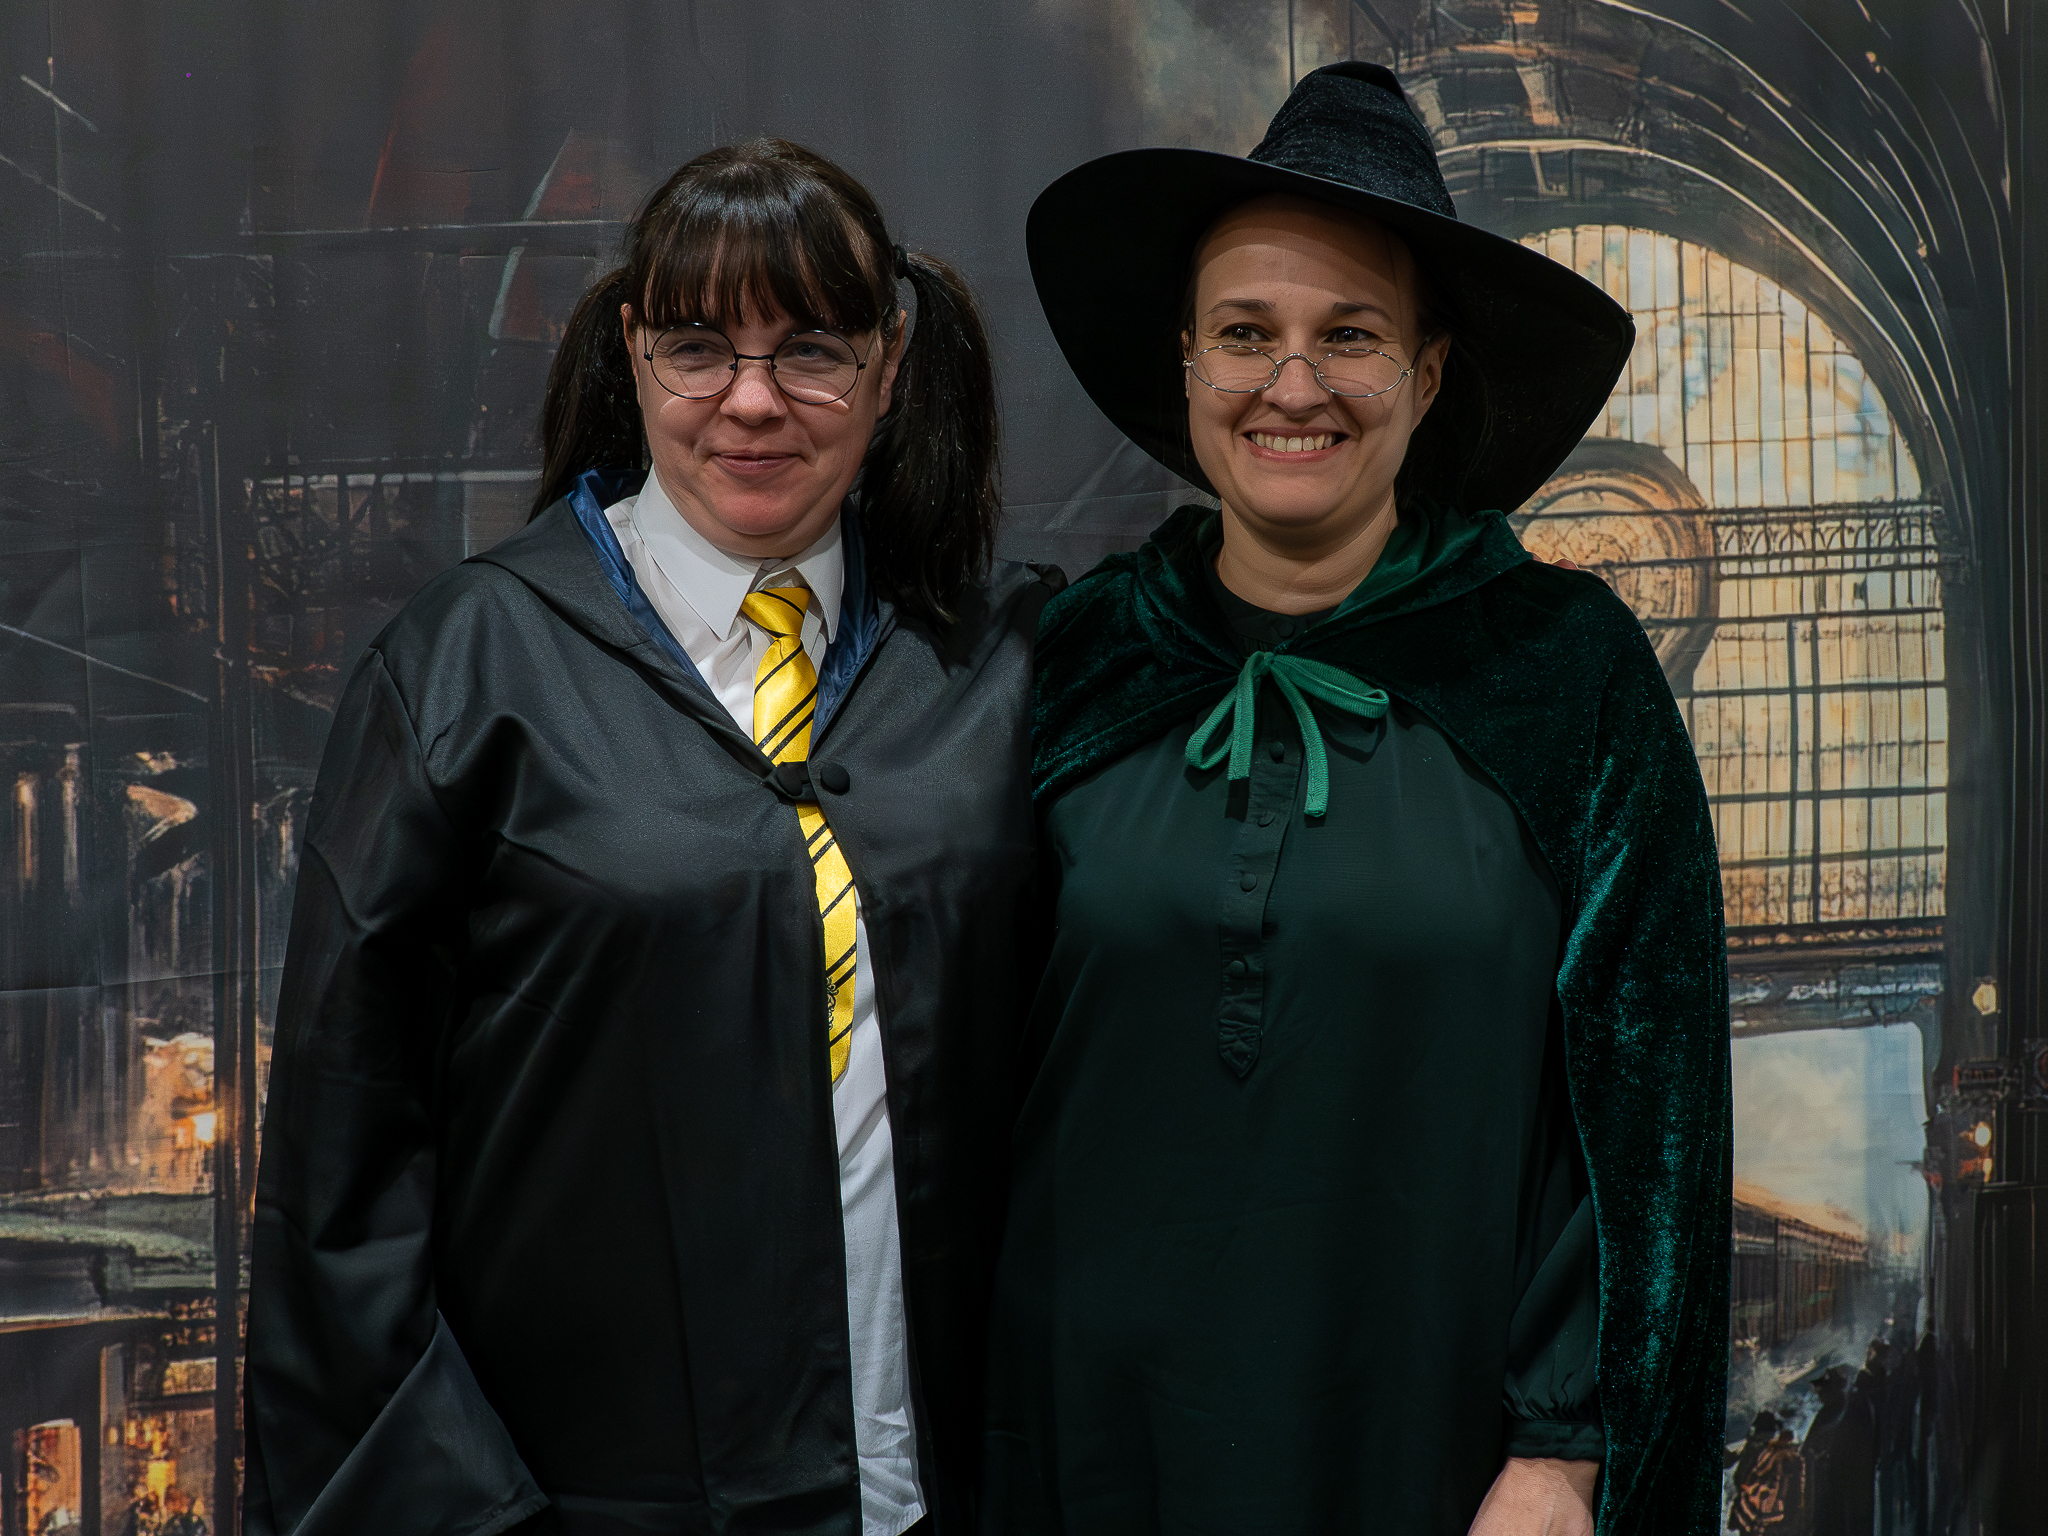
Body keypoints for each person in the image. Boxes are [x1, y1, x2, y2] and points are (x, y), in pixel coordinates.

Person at [246, 138, 1057, 1536]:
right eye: (698, 348)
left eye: (813, 350)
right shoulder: (469, 669)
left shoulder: (994, 664)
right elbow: (343, 1197)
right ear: (632, 352)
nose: (752, 400)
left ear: (890, 360)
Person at [983, 63, 1731, 1535]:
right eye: (1245, 334)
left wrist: (1562, 1448)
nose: (1294, 385)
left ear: (1428, 375)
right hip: (1091, 1449)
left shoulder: (1562, 678)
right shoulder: (1070, 663)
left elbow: (1645, 1114)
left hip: (1437, 1459)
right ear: (1186, 361)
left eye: (1351, 337)